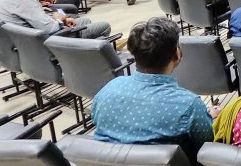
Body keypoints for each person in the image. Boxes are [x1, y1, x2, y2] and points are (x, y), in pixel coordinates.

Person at [92, 17, 216, 162]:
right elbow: (206, 148)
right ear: (177, 54)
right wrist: (210, 118)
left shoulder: (108, 89)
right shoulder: (189, 105)